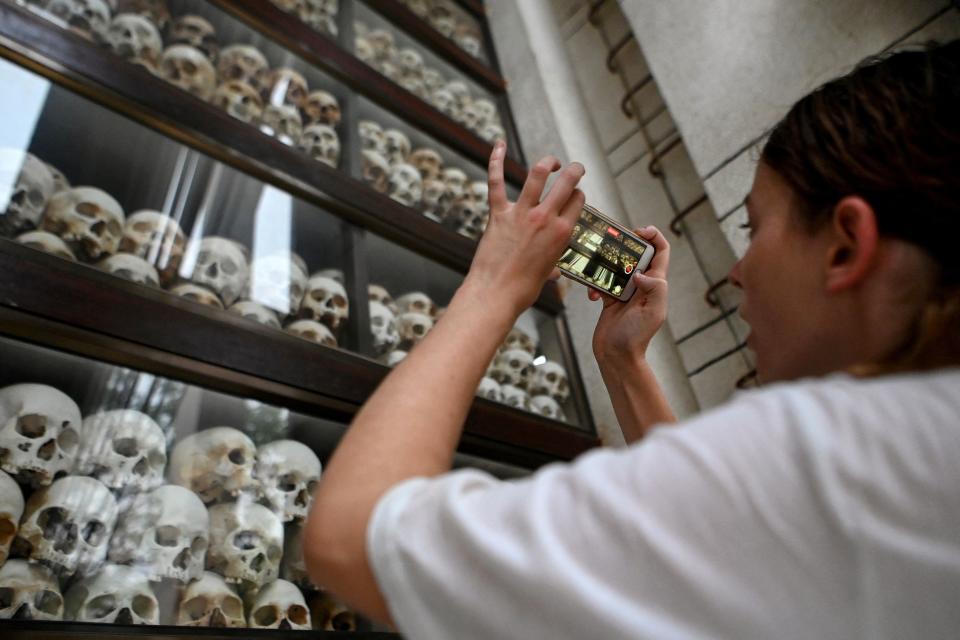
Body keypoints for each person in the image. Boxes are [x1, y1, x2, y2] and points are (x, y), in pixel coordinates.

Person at [303, 40, 960, 638]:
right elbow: (713, 545)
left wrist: (496, 282)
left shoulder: (841, 460)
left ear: (846, 245)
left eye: (756, 230)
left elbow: (352, 538)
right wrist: (624, 363)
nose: (738, 270)